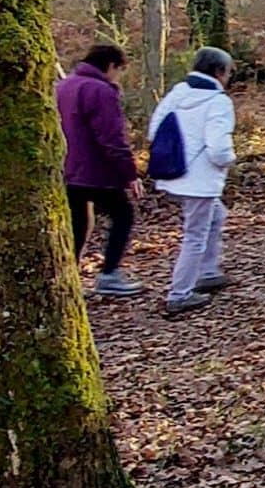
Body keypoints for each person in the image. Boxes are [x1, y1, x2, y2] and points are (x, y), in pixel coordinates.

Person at [147, 46, 238, 316]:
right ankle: (180, 294)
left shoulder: (178, 93)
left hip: (175, 173)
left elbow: (155, 131)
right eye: (229, 72)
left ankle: (209, 271)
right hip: (201, 180)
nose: (229, 77)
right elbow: (219, 149)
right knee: (195, 235)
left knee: (217, 215)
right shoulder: (218, 102)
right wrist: (229, 159)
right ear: (220, 72)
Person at [57, 44, 142, 298]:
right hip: (97, 170)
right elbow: (112, 137)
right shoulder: (101, 90)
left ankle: (68, 279)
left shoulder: (62, 86)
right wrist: (129, 173)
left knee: (78, 222)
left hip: (68, 169)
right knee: (123, 214)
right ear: (111, 66)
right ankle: (109, 273)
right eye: (119, 70)